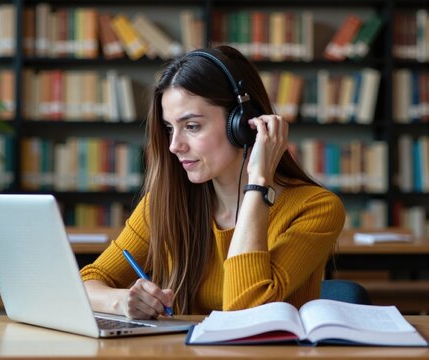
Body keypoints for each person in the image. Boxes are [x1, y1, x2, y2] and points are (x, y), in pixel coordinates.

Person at [80, 45, 345, 319]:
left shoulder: (316, 208)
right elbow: (89, 280)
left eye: (192, 126)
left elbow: (245, 312)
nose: (174, 145)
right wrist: (120, 301)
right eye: (170, 128)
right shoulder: (166, 204)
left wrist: (258, 184)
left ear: (243, 125)